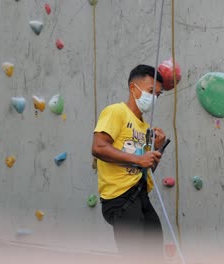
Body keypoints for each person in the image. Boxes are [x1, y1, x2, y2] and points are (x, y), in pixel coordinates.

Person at [91, 64, 167, 262]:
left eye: (158, 95)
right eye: (151, 92)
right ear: (134, 89)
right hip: (119, 198)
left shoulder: (145, 127)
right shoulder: (116, 111)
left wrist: (156, 149)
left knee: (154, 247)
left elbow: (146, 168)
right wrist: (138, 158)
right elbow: (98, 147)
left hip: (140, 196)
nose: (155, 98)